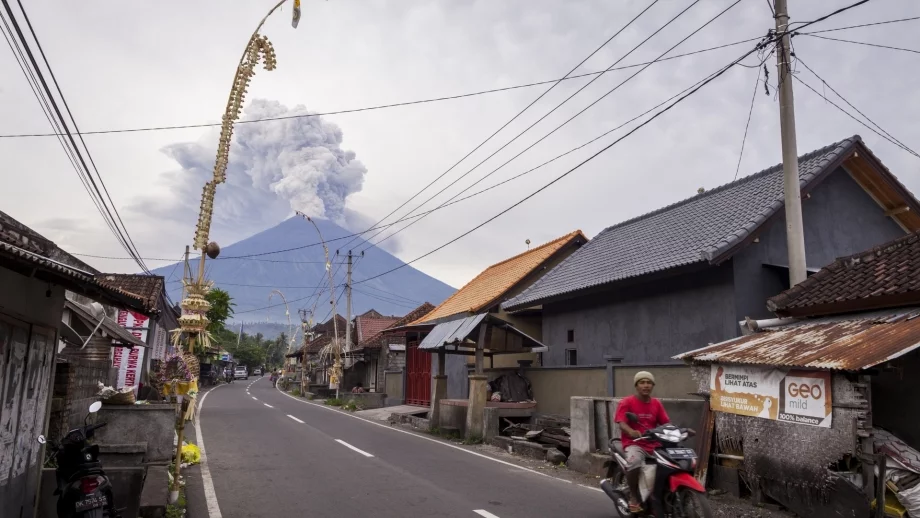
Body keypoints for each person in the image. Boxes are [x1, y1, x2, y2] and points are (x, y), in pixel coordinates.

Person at [614, 371, 670, 513]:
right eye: (642, 382)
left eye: (649, 382)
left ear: (653, 385)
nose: (646, 385)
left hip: (653, 444)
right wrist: (631, 431)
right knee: (635, 462)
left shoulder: (656, 403)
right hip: (634, 443)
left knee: (670, 463)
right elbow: (621, 422)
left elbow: (666, 423)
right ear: (636, 385)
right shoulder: (627, 402)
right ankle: (634, 496)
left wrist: (679, 431)